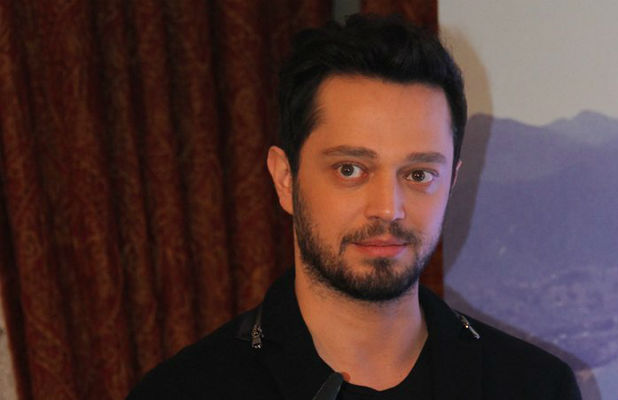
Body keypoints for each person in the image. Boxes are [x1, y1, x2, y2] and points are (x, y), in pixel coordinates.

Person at [127, 14, 581, 400]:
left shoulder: (535, 387)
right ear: (285, 179)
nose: (388, 209)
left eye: (419, 174)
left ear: (452, 184)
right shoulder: (183, 392)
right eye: (350, 169)